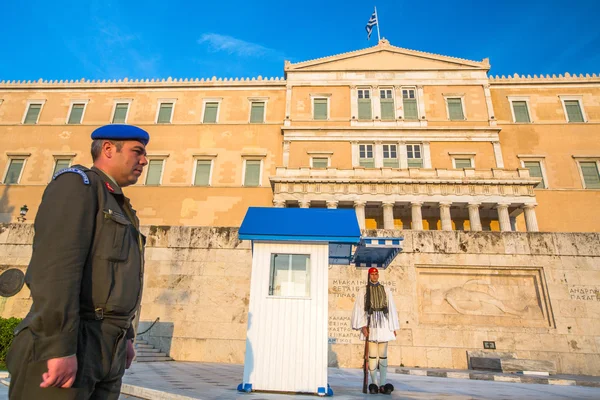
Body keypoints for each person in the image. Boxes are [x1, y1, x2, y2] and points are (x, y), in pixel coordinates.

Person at [7, 124, 150, 399]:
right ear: (108, 149)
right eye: (137, 152)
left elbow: (118, 277)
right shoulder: (78, 185)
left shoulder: (120, 204)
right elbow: (55, 271)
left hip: (108, 347)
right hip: (74, 339)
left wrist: (126, 337)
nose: (144, 160)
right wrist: (58, 346)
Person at [352, 267, 399, 395]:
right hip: (371, 323)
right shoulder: (363, 291)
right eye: (372, 274)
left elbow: (391, 308)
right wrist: (363, 326)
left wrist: (394, 327)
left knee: (383, 356)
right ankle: (374, 383)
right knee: (372, 356)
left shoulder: (386, 289)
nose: (374, 276)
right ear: (369, 276)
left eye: (376, 274)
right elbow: (360, 309)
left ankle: (383, 383)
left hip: (384, 324)